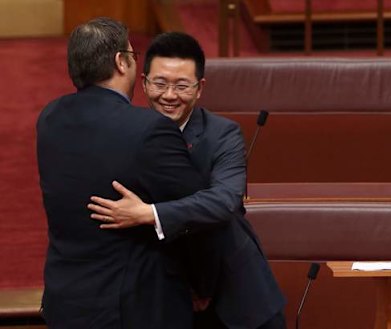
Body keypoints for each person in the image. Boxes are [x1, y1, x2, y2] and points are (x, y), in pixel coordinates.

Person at [88, 32, 286, 329]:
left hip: (236, 297)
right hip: (165, 298)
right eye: (160, 83)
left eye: (181, 86)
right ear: (143, 82)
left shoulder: (223, 134)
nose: (169, 95)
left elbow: (224, 202)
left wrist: (149, 214)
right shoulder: (126, 134)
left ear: (199, 88)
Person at [36, 18, 207, 328]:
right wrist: (203, 285)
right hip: (133, 309)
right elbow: (196, 216)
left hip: (66, 301)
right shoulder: (150, 130)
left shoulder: (50, 118)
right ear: (120, 62)